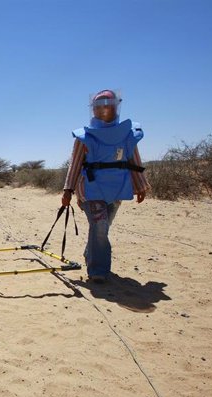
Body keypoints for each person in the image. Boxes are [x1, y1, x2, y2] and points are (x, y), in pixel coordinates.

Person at [61, 89, 149, 283]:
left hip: (117, 188)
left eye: (108, 105)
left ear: (116, 107)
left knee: (102, 228)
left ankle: (91, 255)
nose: (104, 110)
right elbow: (75, 163)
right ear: (93, 110)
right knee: (99, 226)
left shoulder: (128, 134)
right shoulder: (84, 136)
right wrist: (68, 190)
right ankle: (98, 271)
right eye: (100, 107)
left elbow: (133, 159)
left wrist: (141, 185)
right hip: (91, 189)